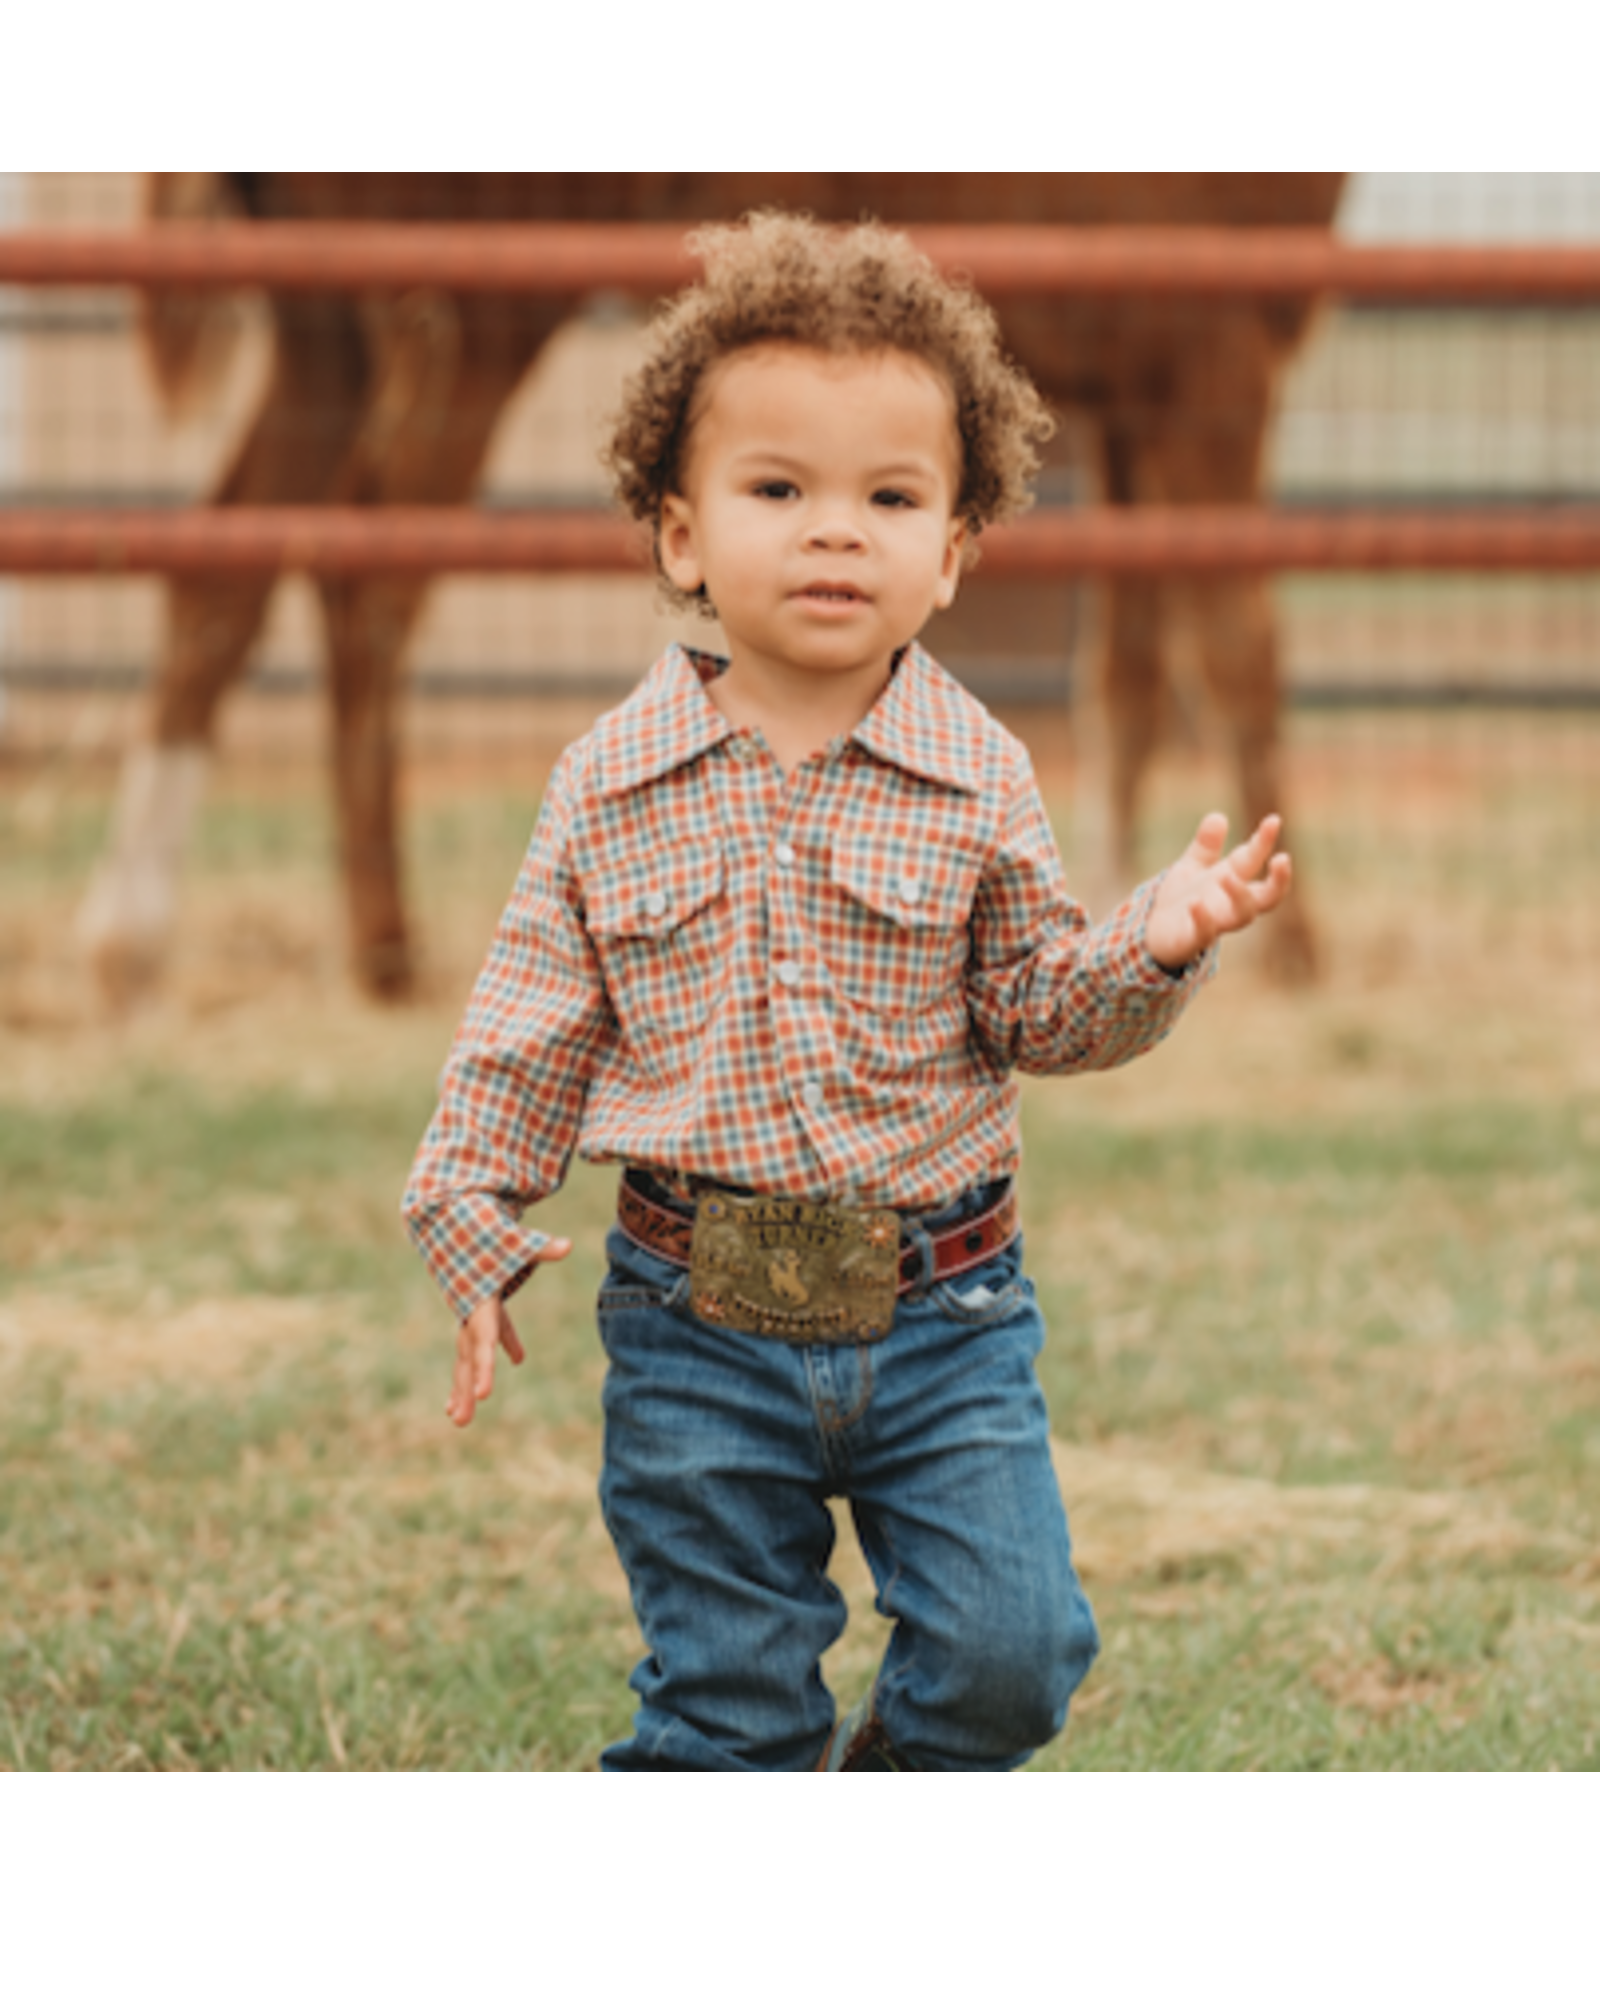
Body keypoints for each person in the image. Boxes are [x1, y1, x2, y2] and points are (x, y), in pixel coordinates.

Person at [403, 213, 1294, 1774]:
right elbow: (529, 1022)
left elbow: (1033, 1007)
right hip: (696, 1321)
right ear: (680, 535)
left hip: (945, 1319)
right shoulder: (608, 785)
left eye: (889, 499)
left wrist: (1155, 941)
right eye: (778, 491)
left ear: (951, 553)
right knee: (729, 1711)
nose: (835, 533)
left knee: (1016, 1657)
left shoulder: (979, 776)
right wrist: (468, 1209)